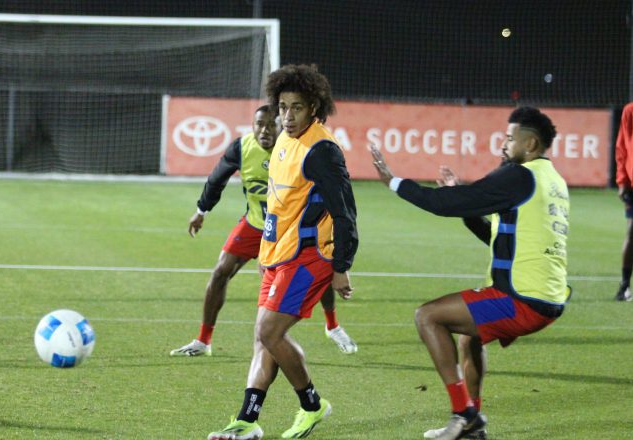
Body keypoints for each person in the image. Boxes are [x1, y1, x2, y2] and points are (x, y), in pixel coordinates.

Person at [370, 106, 571, 440]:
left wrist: (394, 182)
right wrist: (463, 196)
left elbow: (447, 204)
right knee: (469, 336)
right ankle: (472, 422)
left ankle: (463, 414)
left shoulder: (519, 175)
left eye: (509, 138)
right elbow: (496, 235)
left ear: (531, 144)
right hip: (546, 297)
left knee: (428, 317)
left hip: (521, 300)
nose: (503, 144)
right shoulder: (551, 181)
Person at [207, 64, 359, 440]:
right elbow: (280, 205)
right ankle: (247, 420)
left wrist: (341, 266)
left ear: (314, 109)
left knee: (269, 332)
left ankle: (312, 406)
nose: (287, 117)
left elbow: (345, 211)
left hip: (309, 257)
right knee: (263, 338)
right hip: (278, 255)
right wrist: (265, 251)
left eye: (297, 108)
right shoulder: (283, 142)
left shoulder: (321, 149)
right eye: (283, 107)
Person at [170, 105, 358, 357]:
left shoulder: (296, 149)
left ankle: (332, 326)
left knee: (318, 268)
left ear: (282, 126)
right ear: (252, 125)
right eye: (260, 124)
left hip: (291, 230)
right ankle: (204, 340)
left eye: (271, 124)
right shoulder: (242, 147)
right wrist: (201, 211)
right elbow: (217, 179)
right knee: (220, 271)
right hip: (256, 223)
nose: (265, 130)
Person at [614, 102, 633, 301]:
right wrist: (622, 181)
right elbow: (622, 147)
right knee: (632, 232)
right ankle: (624, 285)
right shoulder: (630, 111)